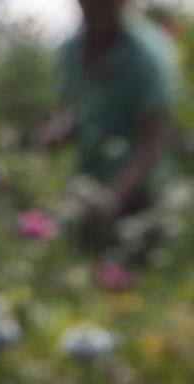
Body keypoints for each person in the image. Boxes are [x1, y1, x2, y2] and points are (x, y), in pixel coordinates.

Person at [40, 0, 178, 254]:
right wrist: (58, 132)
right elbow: (73, 108)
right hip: (86, 188)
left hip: (138, 204)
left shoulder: (148, 55)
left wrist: (112, 199)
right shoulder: (72, 49)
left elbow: (153, 142)